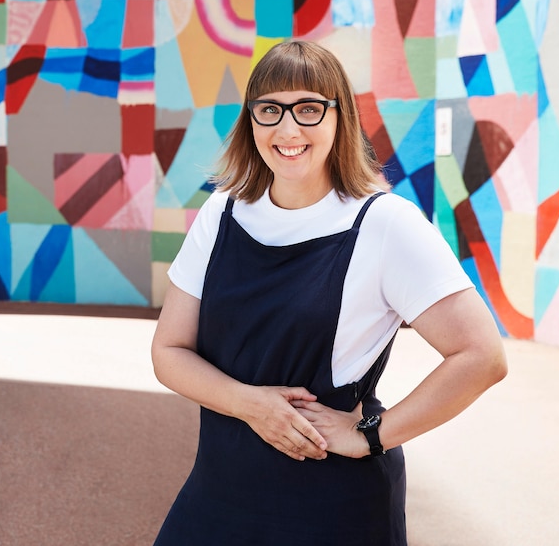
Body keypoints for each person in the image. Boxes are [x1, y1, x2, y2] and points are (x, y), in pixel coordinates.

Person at [150, 40, 507, 545]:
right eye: (270, 110)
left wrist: (371, 436)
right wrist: (251, 404)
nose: (288, 129)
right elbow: (168, 351)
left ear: (341, 118)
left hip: (333, 508)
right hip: (219, 493)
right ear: (250, 120)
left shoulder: (384, 223)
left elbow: (482, 355)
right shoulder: (222, 213)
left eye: (309, 109)